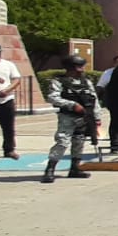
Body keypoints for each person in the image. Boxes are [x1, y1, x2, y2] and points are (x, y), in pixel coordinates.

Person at [41, 54, 97, 183]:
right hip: (67, 117)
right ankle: (50, 169)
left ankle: (75, 169)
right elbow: (52, 97)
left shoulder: (86, 82)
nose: (81, 70)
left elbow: (94, 99)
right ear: (70, 68)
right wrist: (72, 105)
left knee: (79, 142)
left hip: (84, 117)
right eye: (78, 67)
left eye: (82, 66)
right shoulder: (59, 81)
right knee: (62, 142)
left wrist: (96, 117)